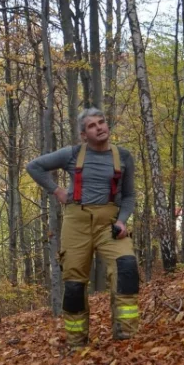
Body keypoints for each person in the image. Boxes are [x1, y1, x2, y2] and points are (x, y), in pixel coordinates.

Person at [26, 107, 139, 349]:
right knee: (74, 284)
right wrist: (56, 191)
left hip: (110, 222)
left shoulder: (124, 157)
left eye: (102, 122)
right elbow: (34, 166)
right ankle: (77, 344)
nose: (100, 127)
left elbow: (129, 196)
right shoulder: (72, 154)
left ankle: (126, 337)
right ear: (83, 134)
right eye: (92, 125)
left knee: (126, 267)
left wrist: (122, 221)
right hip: (76, 223)